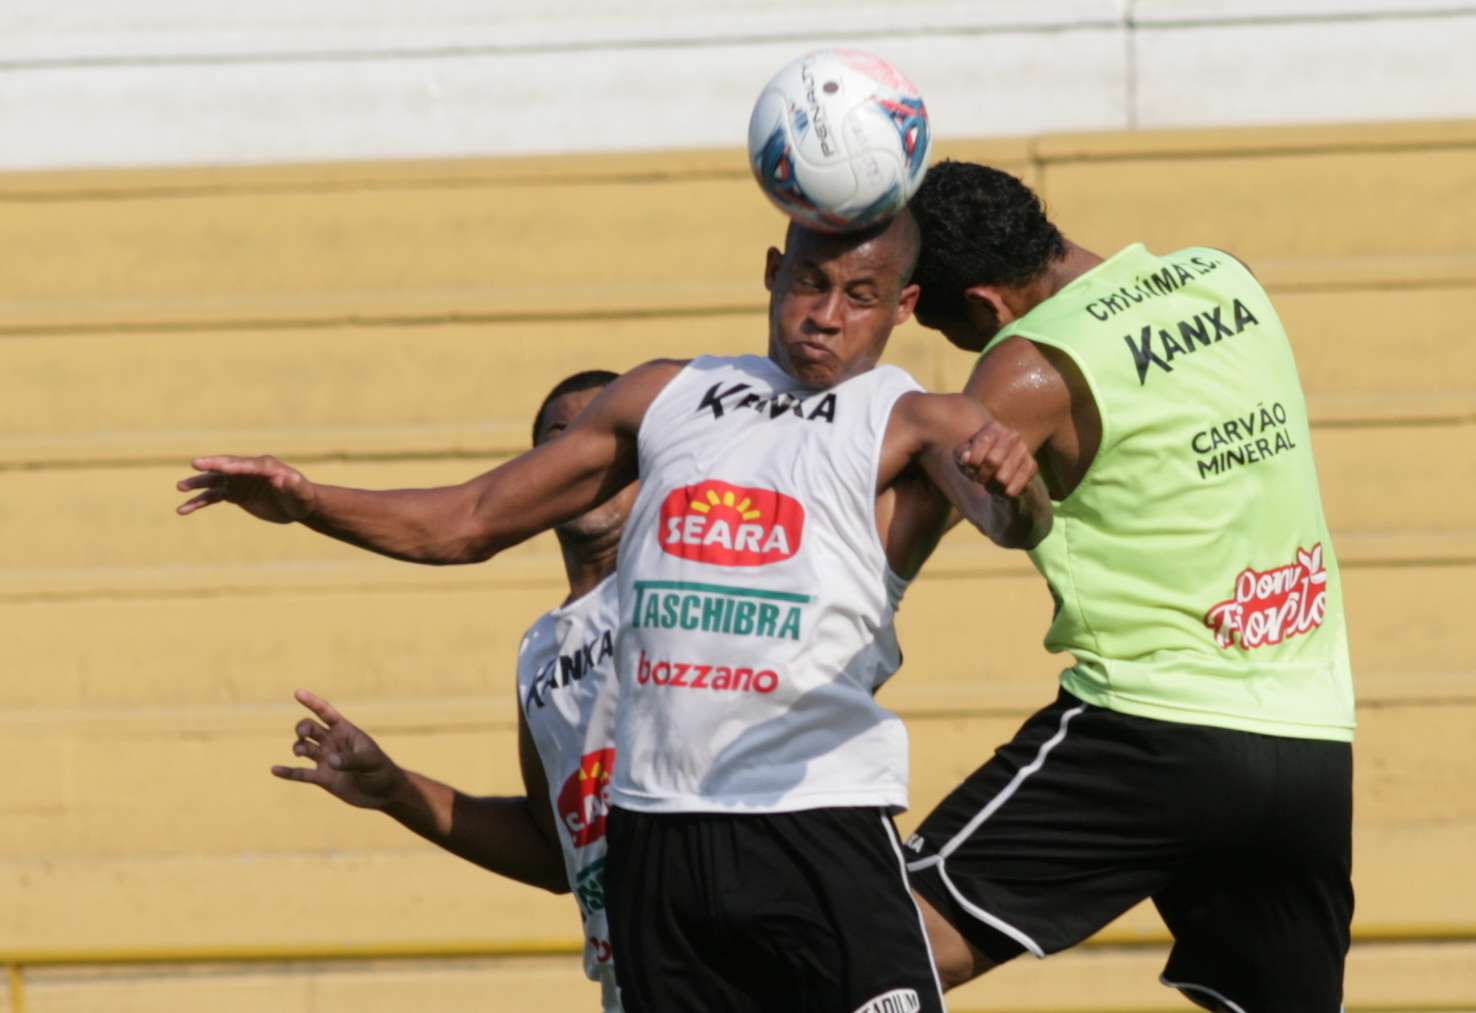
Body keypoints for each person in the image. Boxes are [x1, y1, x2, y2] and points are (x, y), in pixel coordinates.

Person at [176, 210, 1053, 1013]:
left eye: (859, 296)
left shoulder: (914, 416)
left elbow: (1009, 521)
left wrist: (1016, 491)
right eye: (808, 285)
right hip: (657, 838)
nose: (825, 315)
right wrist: (310, 501)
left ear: (902, 305)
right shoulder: (667, 395)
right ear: (771, 274)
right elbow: (470, 519)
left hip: (815, 817)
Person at [900, 160, 1355, 1013]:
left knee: (884, 937)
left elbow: (910, 531)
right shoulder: (1227, 277)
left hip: (1155, 729)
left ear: (986, 307)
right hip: (1311, 739)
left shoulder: (1023, 372)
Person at [268, 370, 636, 1012]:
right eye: (561, 440)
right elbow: (556, 854)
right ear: (534, 477)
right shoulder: (540, 650)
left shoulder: (691, 588)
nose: (582, 457)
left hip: (755, 953)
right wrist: (397, 791)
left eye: (609, 443)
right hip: (641, 979)